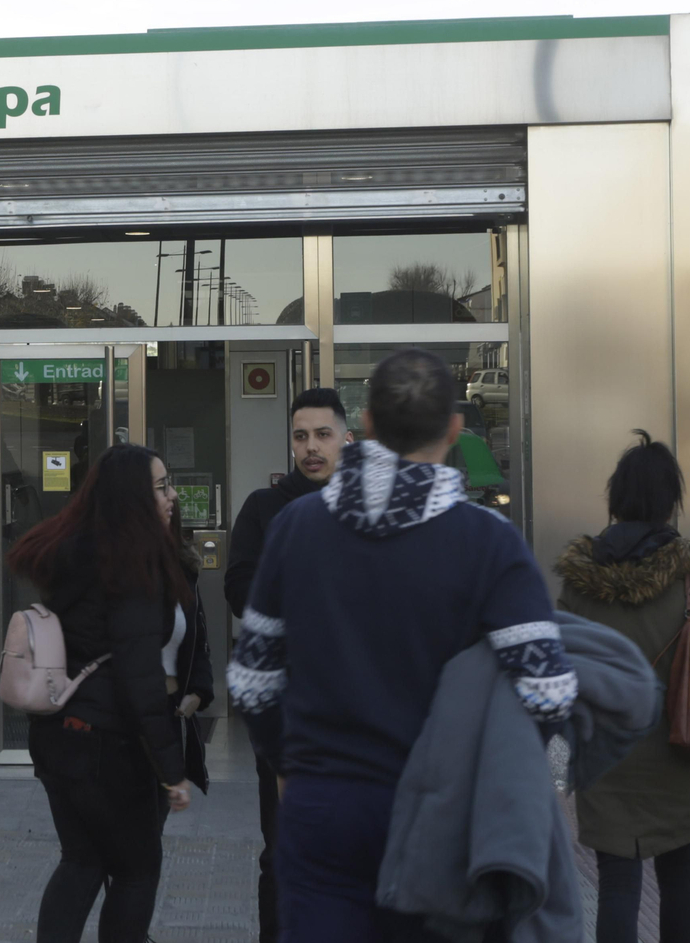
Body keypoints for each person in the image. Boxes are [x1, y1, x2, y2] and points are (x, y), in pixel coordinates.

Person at [228, 347, 577, 942]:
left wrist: (291, 762)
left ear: (363, 427)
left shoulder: (295, 527)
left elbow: (253, 682)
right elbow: (548, 693)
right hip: (441, 815)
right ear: (454, 429)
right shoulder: (489, 542)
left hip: (323, 809)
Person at [554, 431, 690, 943]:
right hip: (682, 754)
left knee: (617, 887)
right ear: (670, 501)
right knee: (681, 879)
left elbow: (557, 668)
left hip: (607, 759)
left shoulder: (579, 581)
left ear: (616, 500)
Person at [8, 443, 198, 943]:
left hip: (59, 738)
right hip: (107, 746)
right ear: (134, 498)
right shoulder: (130, 568)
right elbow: (140, 680)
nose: (172, 496)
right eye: (160, 487)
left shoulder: (75, 554)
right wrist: (171, 771)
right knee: (137, 870)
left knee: (82, 862)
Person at [222, 386, 351, 943]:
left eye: (323, 434)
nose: (311, 447)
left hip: (361, 711)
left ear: (348, 437)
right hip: (288, 711)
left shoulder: (369, 506)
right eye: (301, 436)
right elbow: (239, 588)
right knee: (283, 850)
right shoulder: (265, 508)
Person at [170, 500, 216, 796]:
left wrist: (199, 693)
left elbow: (198, 639)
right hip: (115, 729)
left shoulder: (183, 568)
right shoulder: (105, 565)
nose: (172, 494)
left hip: (168, 720)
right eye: (160, 488)